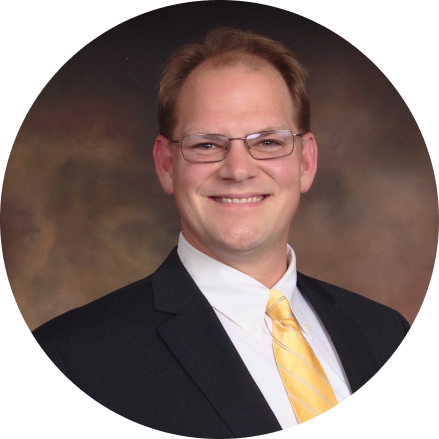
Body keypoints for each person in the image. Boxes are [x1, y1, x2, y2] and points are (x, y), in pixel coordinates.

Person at [32, 27, 410, 436]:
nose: (238, 170)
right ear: (166, 165)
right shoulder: (75, 359)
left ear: (306, 162)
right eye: (207, 145)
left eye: (268, 142)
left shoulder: (384, 332)